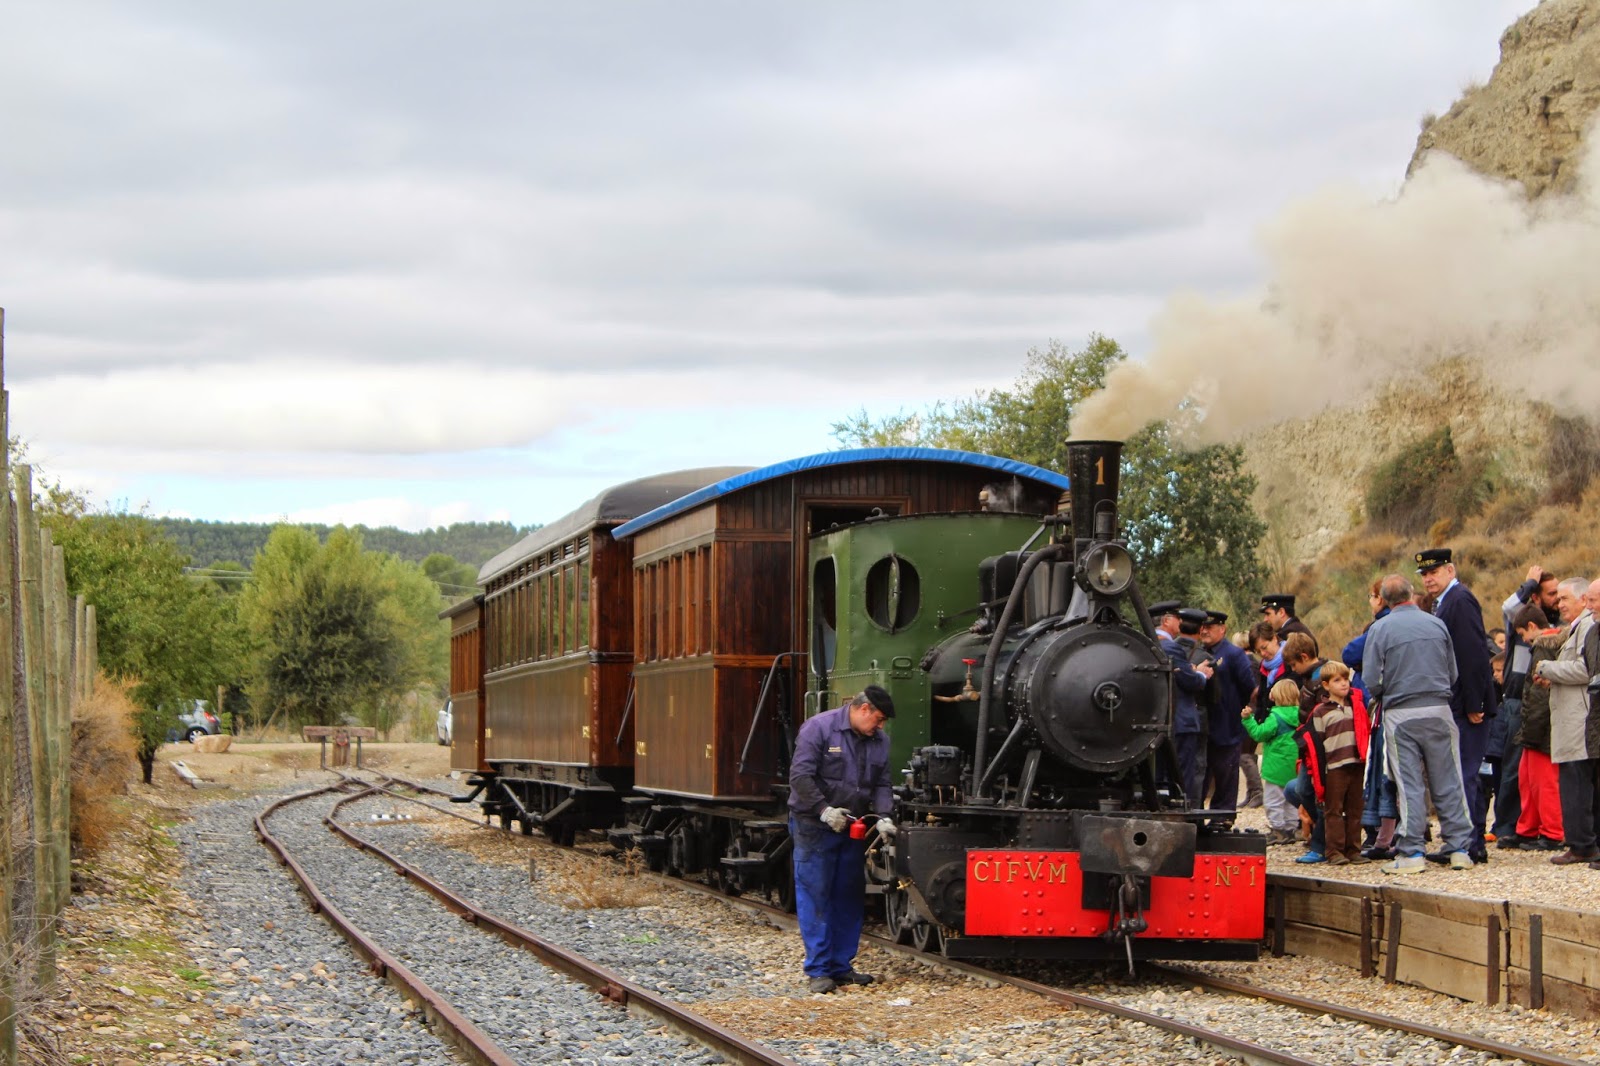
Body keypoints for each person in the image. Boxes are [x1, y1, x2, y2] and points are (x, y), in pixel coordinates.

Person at [1361, 574, 1476, 874]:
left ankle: (1412, 852)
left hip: (1401, 714)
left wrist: (1386, 693)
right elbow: (1452, 672)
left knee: (1409, 784)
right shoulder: (1436, 624)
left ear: (1385, 600)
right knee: (1449, 780)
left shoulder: (1380, 628)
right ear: (1411, 593)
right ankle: (1459, 848)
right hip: (1439, 709)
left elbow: (1371, 678)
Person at [787, 685, 896, 993]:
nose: (880, 726)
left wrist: (884, 816)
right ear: (863, 710)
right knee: (816, 894)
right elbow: (800, 777)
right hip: (814, 825)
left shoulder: (879, 741)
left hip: (852, 826)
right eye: (879, 719)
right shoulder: (819, 728)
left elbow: (883, 783)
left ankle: (840, 966)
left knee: (848, 896)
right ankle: (819, 970)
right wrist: (823, 810)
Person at [1417, 548, 1497, 864]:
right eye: (1424, 574)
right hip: (1459, 702)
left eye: (1434, 572)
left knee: (1464, 773)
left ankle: (1468, 843)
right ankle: (1466, 842)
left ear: (1450, 570)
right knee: (1460, 773)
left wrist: (1475, 702)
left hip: (1467, 704)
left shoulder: (1459, 600)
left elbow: (1473, 654)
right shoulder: (1447, 601)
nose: (1428, 579)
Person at [1531, 577, 1600, 866]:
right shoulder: (1581, 627)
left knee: (1577, 785)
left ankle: (1582, 845)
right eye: (1557, 599)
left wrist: (1547, 668)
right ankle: (1583, 843)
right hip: (1575, 718)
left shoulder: (1588, 627)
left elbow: (1586, 670)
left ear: (1583, 600)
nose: (1559, 604)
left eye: (1564, 599)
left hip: (1579, 720)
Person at [1493, 566, 1557, 845]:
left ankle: (1537, 826)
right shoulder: (1520, 624)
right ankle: (1507, 826)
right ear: (1537, 597)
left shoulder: (1555, 628)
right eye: (1551, 594)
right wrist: (1529, 583)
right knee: (1514, 770)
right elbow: (1508, 606)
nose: (1557, 599)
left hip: (1542, 704)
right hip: (1518, 701)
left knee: (1538, 773)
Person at [1509, 604, 1566, 851]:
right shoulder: (1549, 645)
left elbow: (1539, 696)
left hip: (1541, 729)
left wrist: (1531, 731)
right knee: (1529, 780)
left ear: (1532, 626)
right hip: (1538, 727)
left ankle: (1552, 832)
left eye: (1523, 634)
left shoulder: (1544, 647)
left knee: (1543, 783)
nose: (1524, 640)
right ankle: (1529, 829)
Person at [1304, 660, 1369, 864]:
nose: (1343, 684)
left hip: (1357, 763)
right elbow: (1316, 745)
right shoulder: (1320, 711)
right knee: (1333, 810)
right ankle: (1334, 851)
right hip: (1334, 767)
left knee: (1355, 809)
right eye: (1337, 680)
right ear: (1326, 685)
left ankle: (1353, 849)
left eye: (1346, 679)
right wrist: (1316, 773)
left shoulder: (1356, 706)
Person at [1155, 605, 1214, 806]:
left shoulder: (1149, 643)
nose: (1180, 622)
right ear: (1166, 620)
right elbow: (1190, 682)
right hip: (1180, 720)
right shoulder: (1170, 647)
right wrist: (1201, 674)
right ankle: (1184, 811)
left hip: (1159, 719)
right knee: (1183, 777)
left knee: (1162, 777)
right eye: (1176, 617)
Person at [1201, 609, 1256, 816]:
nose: (1204, 631)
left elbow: (1248, 686)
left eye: (1210, 627)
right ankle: (1196, 819)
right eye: (1202, 627)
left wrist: (1235, 710)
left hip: (1227, 726)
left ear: (1222, 629)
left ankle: (1221, 819)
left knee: (1226, 777)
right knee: (1201, 778)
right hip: (1203, 726)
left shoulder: (1233, 654)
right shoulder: (1198, 652)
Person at [1242, 678, 1304, 845]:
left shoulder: (1275, 717)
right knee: (1290, 799)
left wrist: (1248, 720)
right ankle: (1291, 829)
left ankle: (1278, 830)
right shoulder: (1300, 715)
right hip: (1293, 764)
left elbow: (1259, 734)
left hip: (1276, 765)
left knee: (1273, 800)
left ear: (1276, 696)